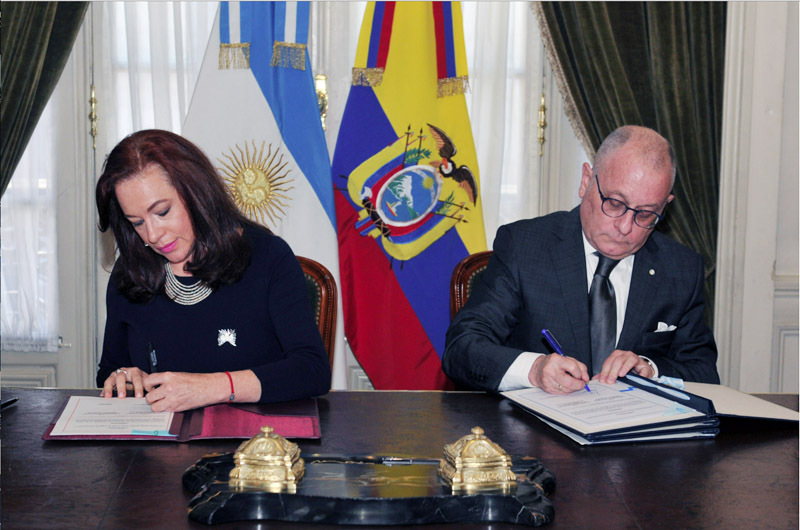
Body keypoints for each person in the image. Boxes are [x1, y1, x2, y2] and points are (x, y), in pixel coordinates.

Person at [443, 125, 720, 394]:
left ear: (665, 205)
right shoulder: (525, 247)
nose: (625, 227)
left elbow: (704, 372)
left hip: (634, 435)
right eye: (614, 203)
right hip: (535, 434)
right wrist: (535, 369)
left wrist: (651, 369)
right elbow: (463, 348)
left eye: (645, 214)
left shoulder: (681, 268)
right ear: (586, 181)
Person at [95, 129, 331, 411]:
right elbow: (109, 371)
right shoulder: (129, 272)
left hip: (253, 448)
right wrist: (125, 379)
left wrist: (212, 388)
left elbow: (312, 370)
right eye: (137, 222)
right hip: (159, 449)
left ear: (196, 192)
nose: (153, 235)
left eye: (162, 212)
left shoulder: (268, 257)